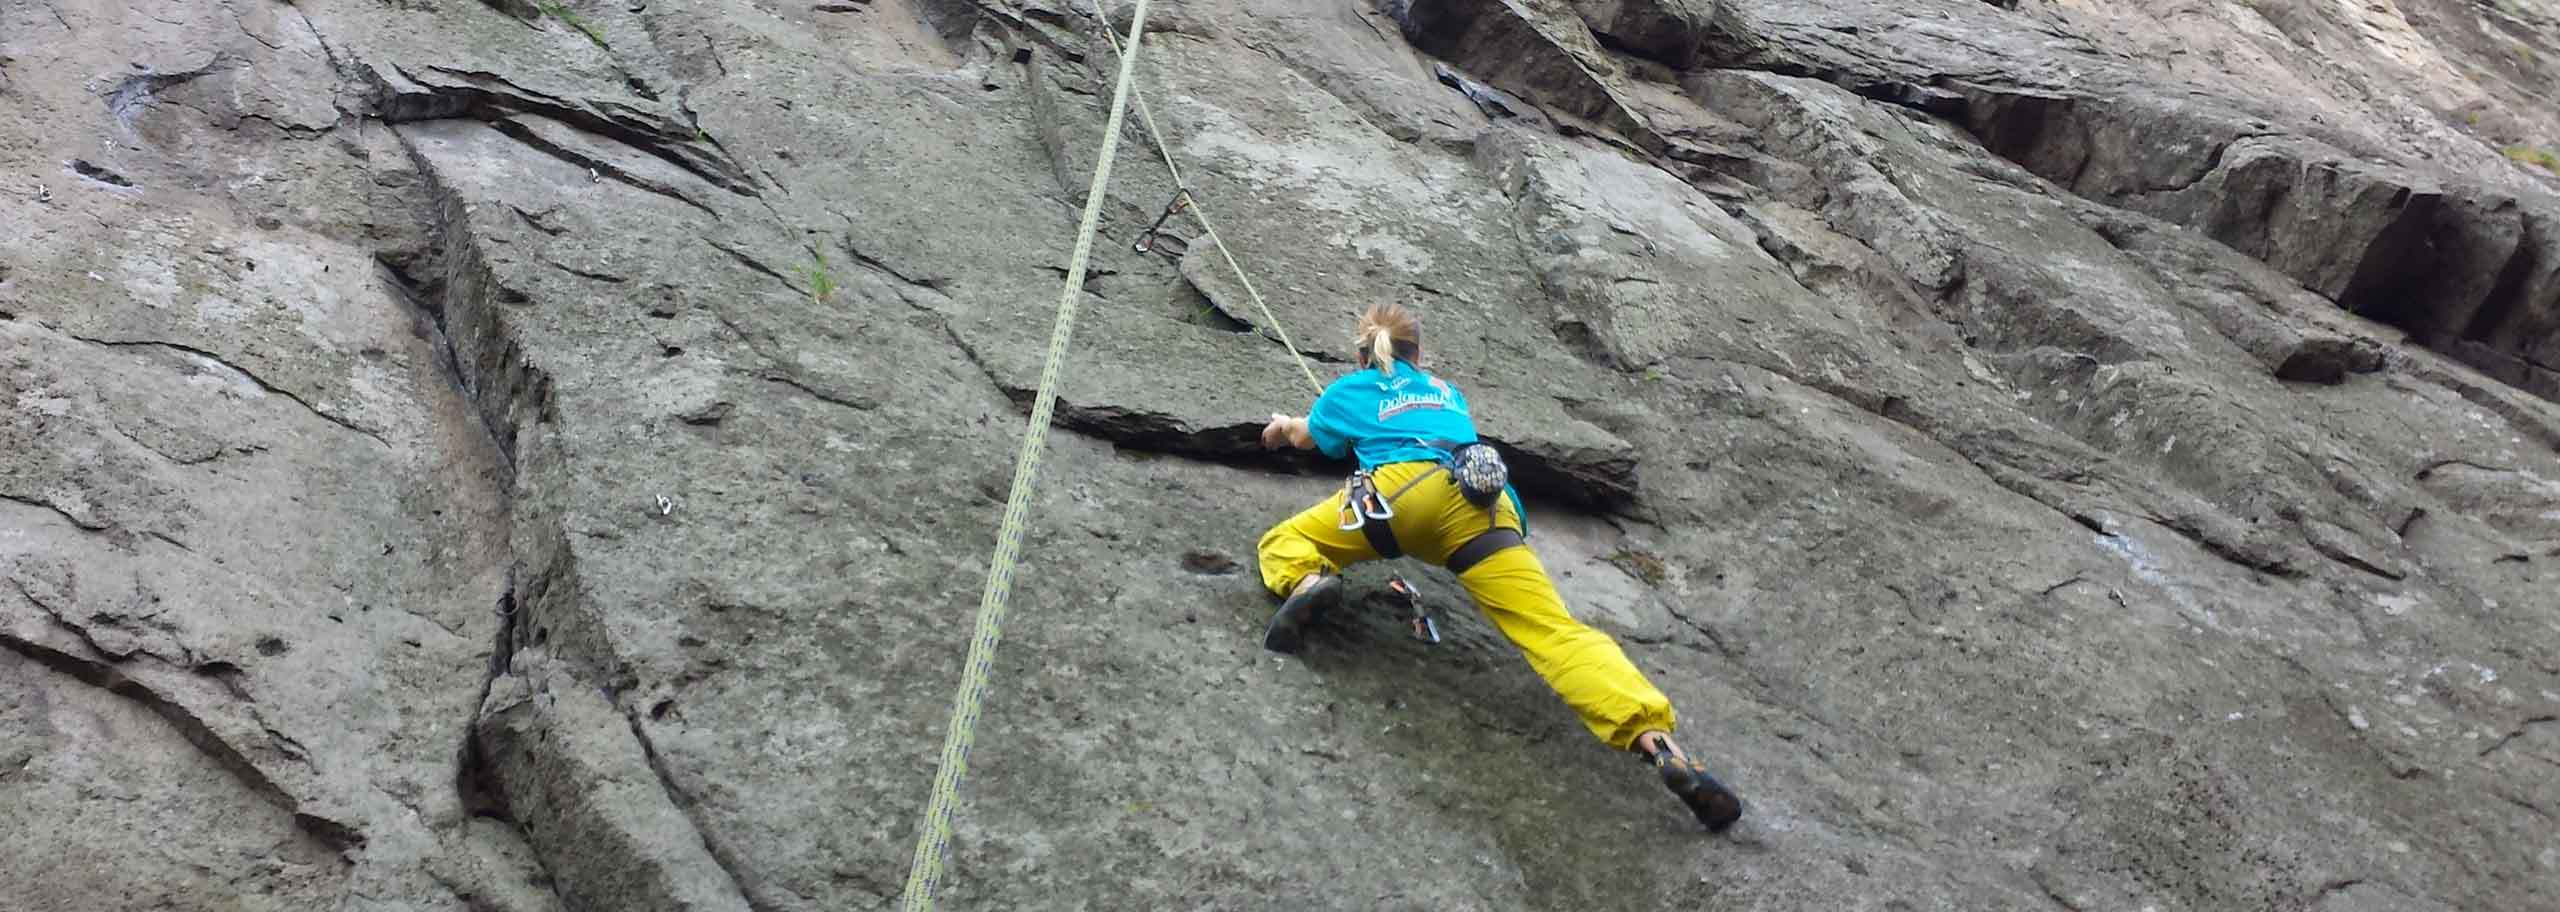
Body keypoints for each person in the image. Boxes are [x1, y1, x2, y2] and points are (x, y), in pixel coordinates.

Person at [1254, 302, 1744, 831]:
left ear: (1362, 353)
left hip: (1401, 499)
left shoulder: (1349, 390)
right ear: (1420, 353)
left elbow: (1310, 438)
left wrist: (1283, 426)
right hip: (1483, 502)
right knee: (1555, 634)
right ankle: (1659, 741)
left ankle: (1310, 581)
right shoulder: (1446, 392)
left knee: (1286, 540)